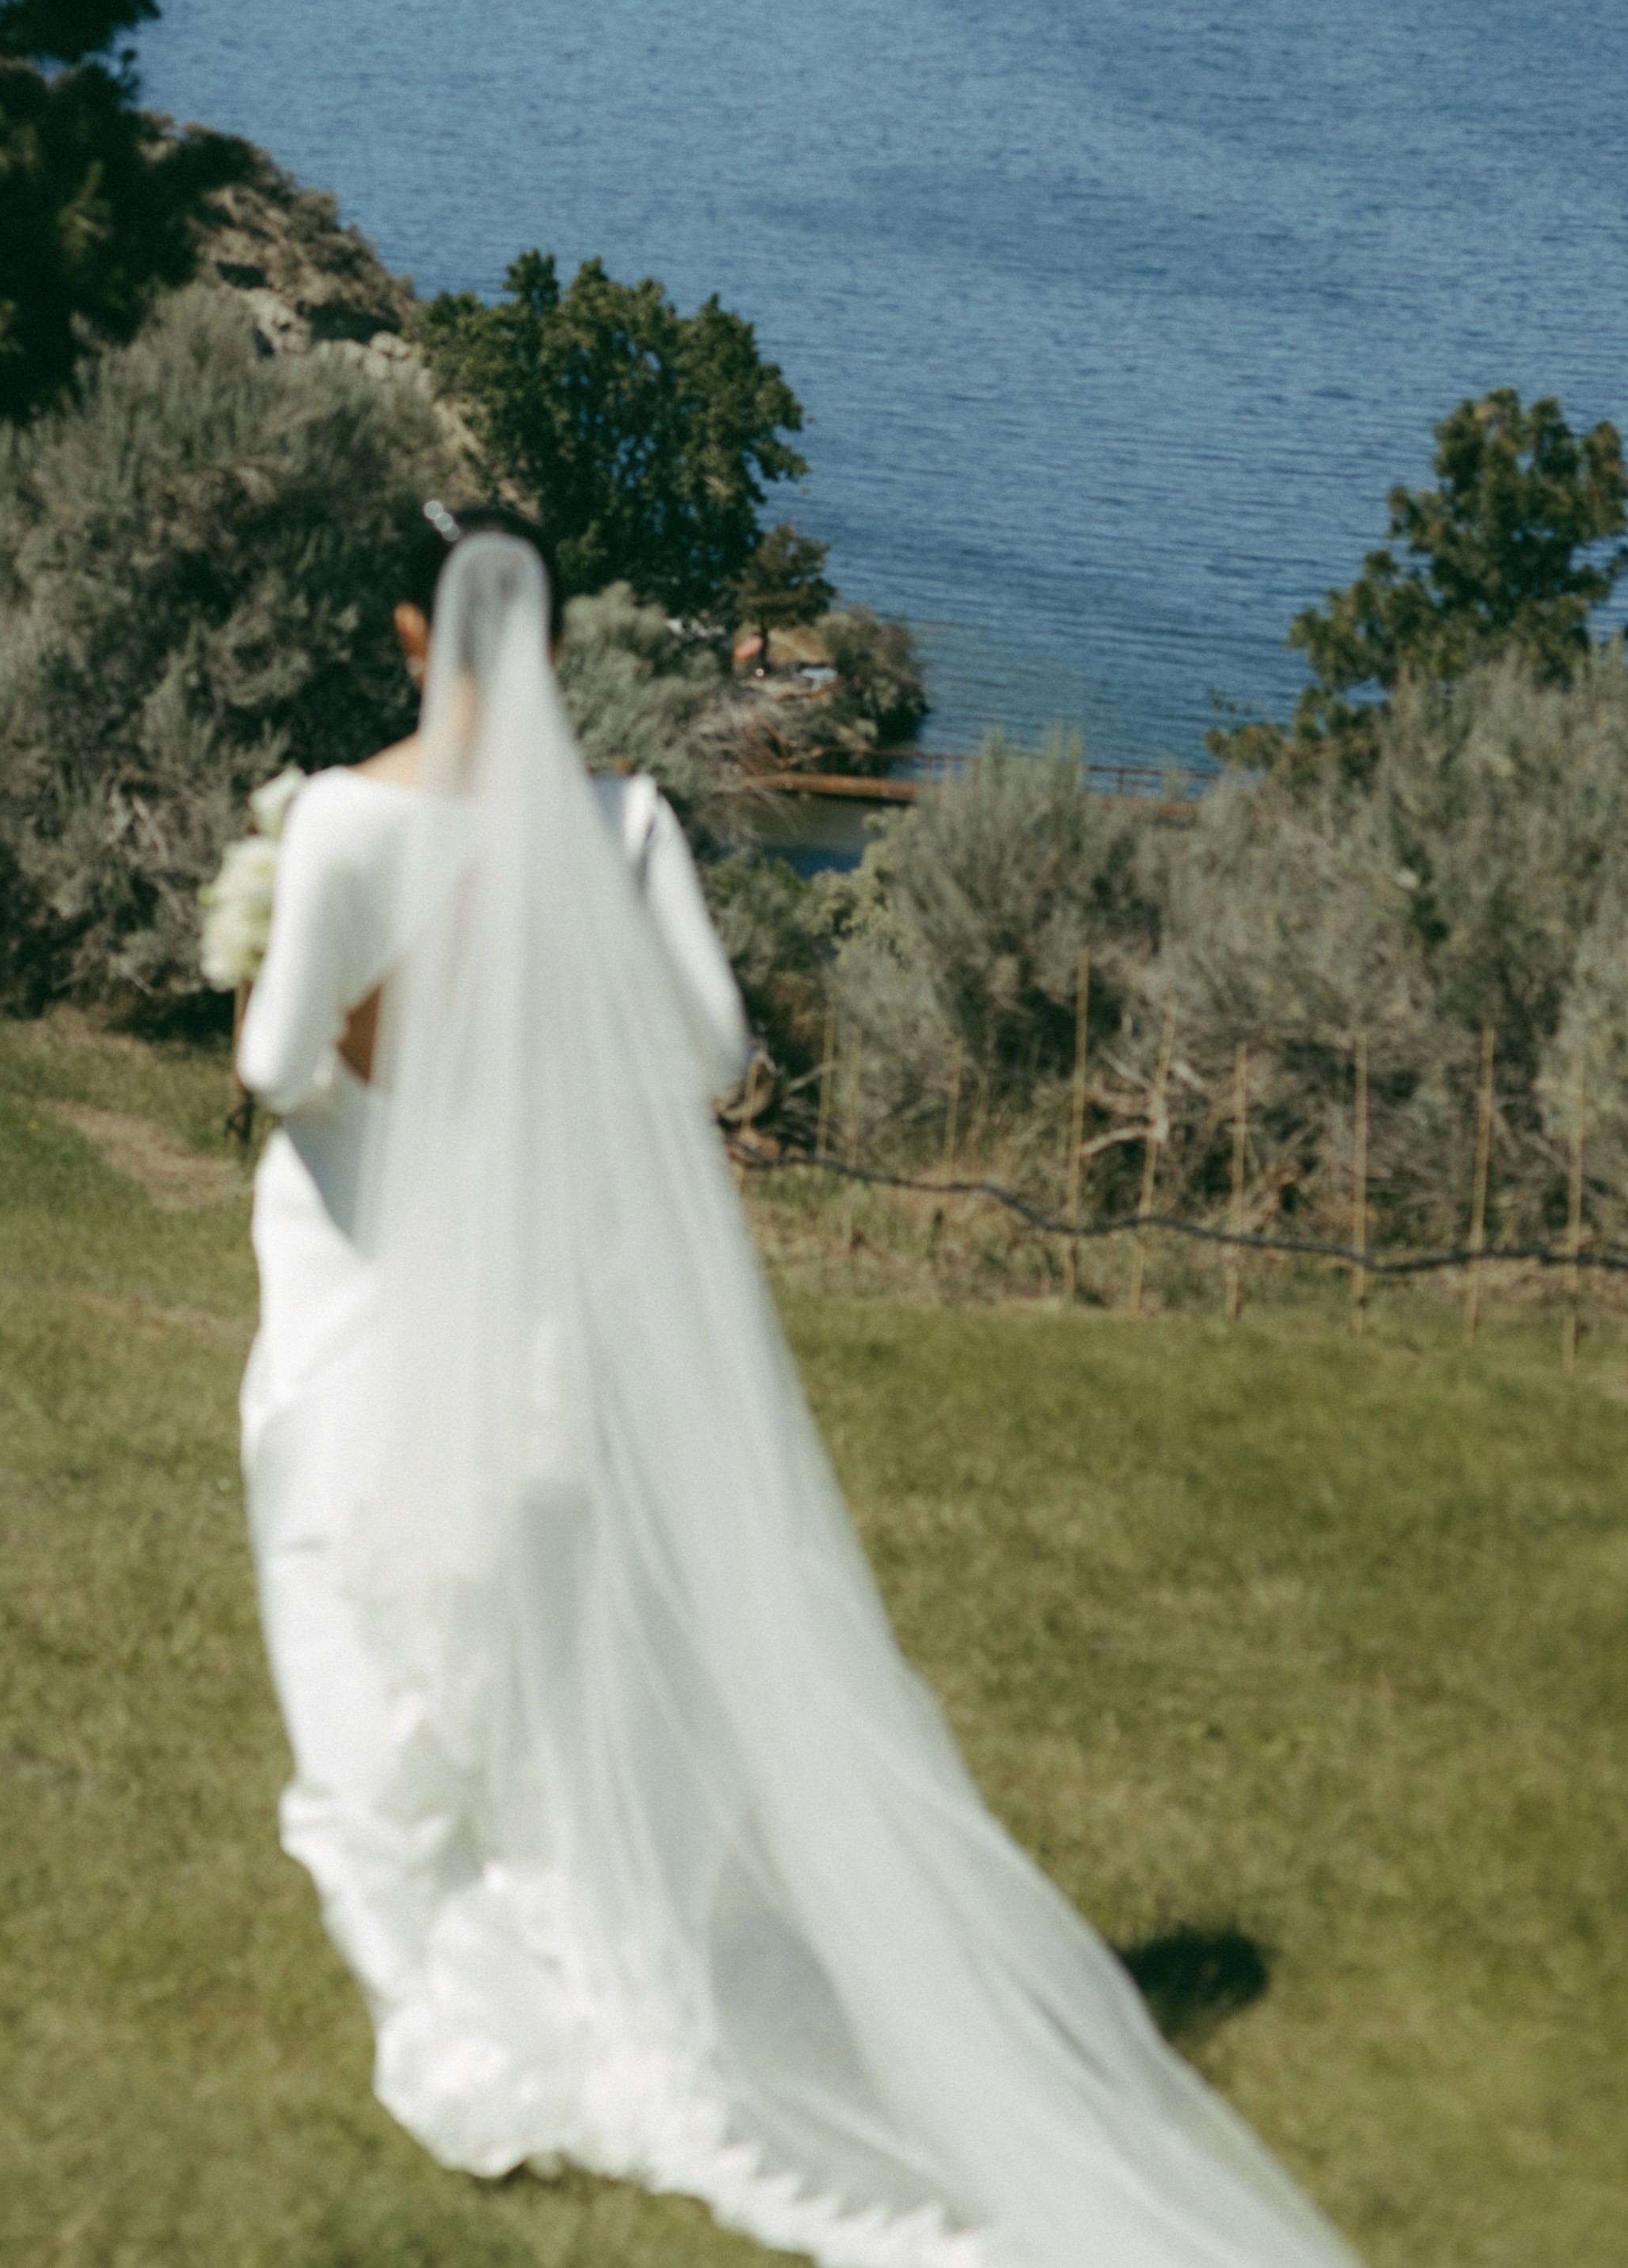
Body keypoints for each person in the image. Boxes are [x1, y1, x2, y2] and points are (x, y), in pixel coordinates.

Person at [236, 512, 1357, 2268]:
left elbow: (271, 1052)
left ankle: (465, 2009)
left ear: (404, 627)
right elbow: (712, 1057)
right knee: (559, 1630)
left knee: (361, 1640)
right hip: (551, 1303)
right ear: (541, 637)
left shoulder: (341, 817)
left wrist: (380, 1002)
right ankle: (597, 1955)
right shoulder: (621, 821)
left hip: (357, 1296)